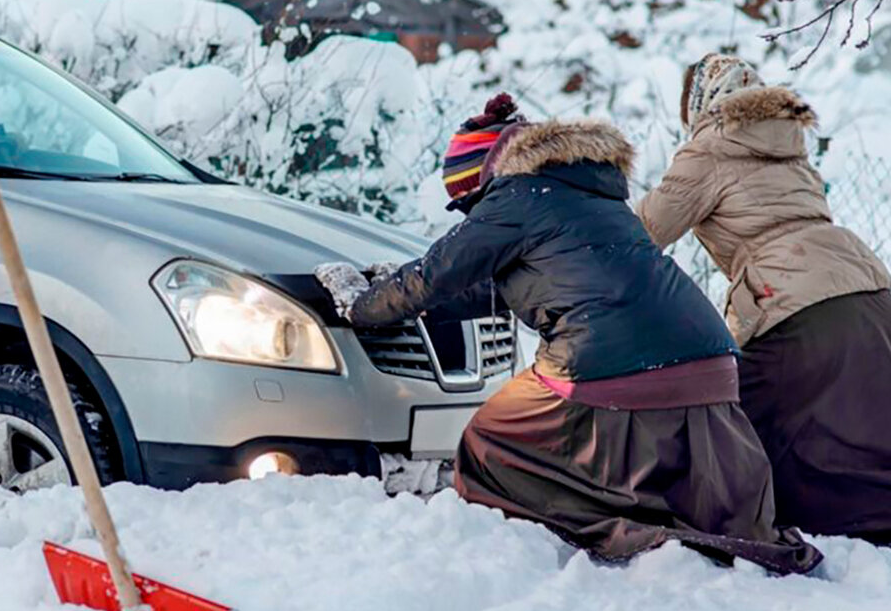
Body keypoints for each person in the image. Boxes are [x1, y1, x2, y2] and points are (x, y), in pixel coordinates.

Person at [334, 95, 822, 574]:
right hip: (708, 358)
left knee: (491, 436)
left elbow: (436, 275)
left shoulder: (515, 196)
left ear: (484, 178)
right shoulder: (585, 196)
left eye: (468, 206)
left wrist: (360, 304)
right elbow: (495, 287)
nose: (471, 217)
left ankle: (577, 527)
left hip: (609, 358)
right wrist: (392, 285)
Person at [637, 54, 891, 544]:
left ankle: (707, 522)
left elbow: (640, 233)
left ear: (699, 105)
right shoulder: (787, 144)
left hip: (792, 298)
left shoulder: (707, 150)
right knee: (860, 422)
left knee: (731, 416)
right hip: (868, 288)